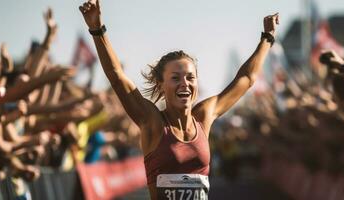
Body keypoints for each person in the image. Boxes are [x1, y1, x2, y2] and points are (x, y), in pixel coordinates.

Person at [78, 0, 279, 198]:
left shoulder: (203, 117)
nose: (184, 83)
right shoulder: (153, 123)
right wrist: (97, 30)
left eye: (190, 77)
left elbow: (246, 79)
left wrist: (267, 38)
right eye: (175, 78)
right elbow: (117, 77)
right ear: (161, 85)